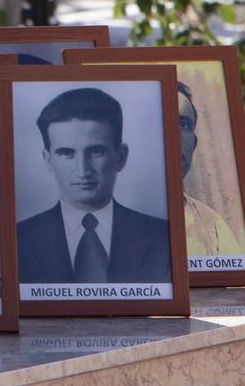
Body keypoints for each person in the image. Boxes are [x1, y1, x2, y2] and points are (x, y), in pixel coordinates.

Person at [16, 86, 172, 284]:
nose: (82, 171)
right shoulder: (17, 241)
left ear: (121, 156)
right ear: (48, 160)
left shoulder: (162, 237)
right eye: (66, 153)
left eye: (96, 151)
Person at [176, 80, 244, 257]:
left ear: (194, 144)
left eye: (183, 124)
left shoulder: (212, 226)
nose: (172, 135)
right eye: (161, 120)